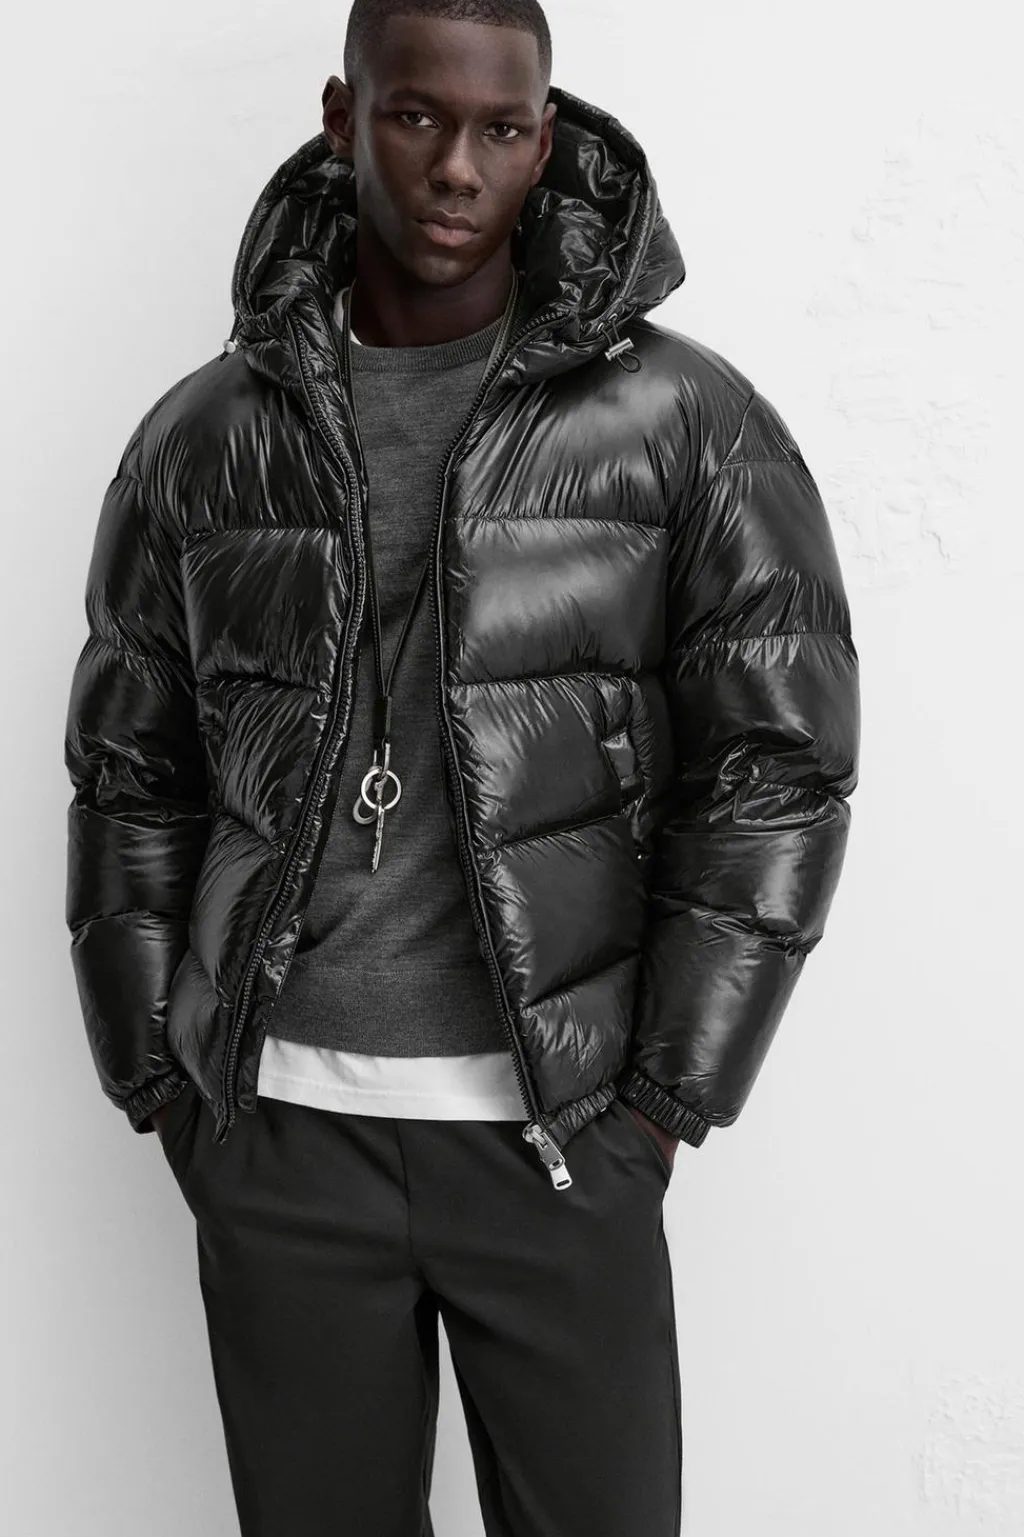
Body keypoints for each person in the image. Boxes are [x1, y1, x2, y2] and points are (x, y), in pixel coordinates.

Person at [63, 1, 860, 1532]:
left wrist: (662, 1103)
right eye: (417, 115)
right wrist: (162, 1085)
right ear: (342, 116)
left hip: (557, 1140)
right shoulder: (204, 439)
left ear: (544, 142)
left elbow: (779, 763)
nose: (455, 168)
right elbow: (129, 775)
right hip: (283, 1138)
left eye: (501, 129)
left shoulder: (684, 422)